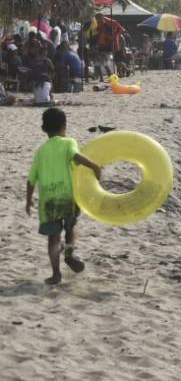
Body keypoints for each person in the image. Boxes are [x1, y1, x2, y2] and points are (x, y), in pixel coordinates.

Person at [26, 108, 103, 285]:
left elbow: (31, 180)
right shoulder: (69, 142)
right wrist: (94, 166)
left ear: (43, 129)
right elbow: (77, 157)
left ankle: (56, 274)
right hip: (67, 198)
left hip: (48, 203)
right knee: (70, 229)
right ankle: (69, 254)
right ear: (64, 126)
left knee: (53, 239)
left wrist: (28, 201)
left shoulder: (41, 151)